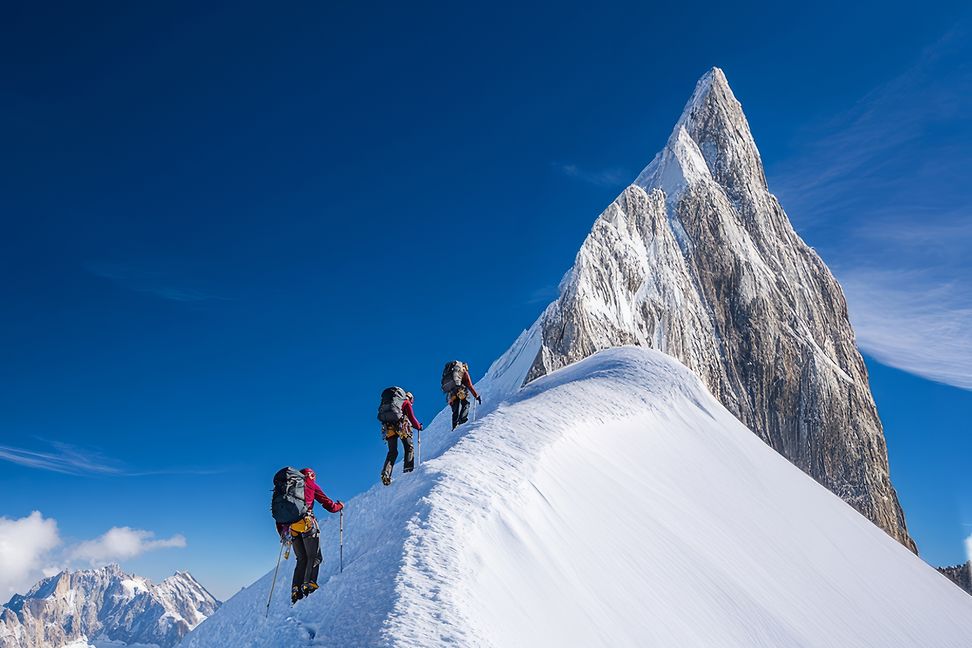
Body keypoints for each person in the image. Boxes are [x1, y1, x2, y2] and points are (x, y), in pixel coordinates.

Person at [275, 467, 343, 604]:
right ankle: (309, 584)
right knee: (315, 556)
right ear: (312, 476)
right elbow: (327, 503)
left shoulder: (287, 489)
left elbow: (279, 516)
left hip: (292, 528)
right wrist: (339, 506)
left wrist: (283, 532)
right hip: (306, 524)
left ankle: (295, 589)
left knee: (301, 559)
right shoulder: (311, 484)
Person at [380, 391, 422, 486]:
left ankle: (386, 473)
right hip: (401, 426)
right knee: (408, 447)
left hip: (388, 428)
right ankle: (408, 470)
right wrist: (419, 426)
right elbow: (411, 417)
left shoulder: (393, 402)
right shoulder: (406, 402)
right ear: (410, 399)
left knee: (392, 452)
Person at [447, 362, 481, 430]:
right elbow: (470, 386)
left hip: (451, 393)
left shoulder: (452, 374)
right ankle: (462, 419)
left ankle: (454, 426)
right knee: (465, 403)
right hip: (460, 390)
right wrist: (476, 396)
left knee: (455, 409)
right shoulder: (464, 372)